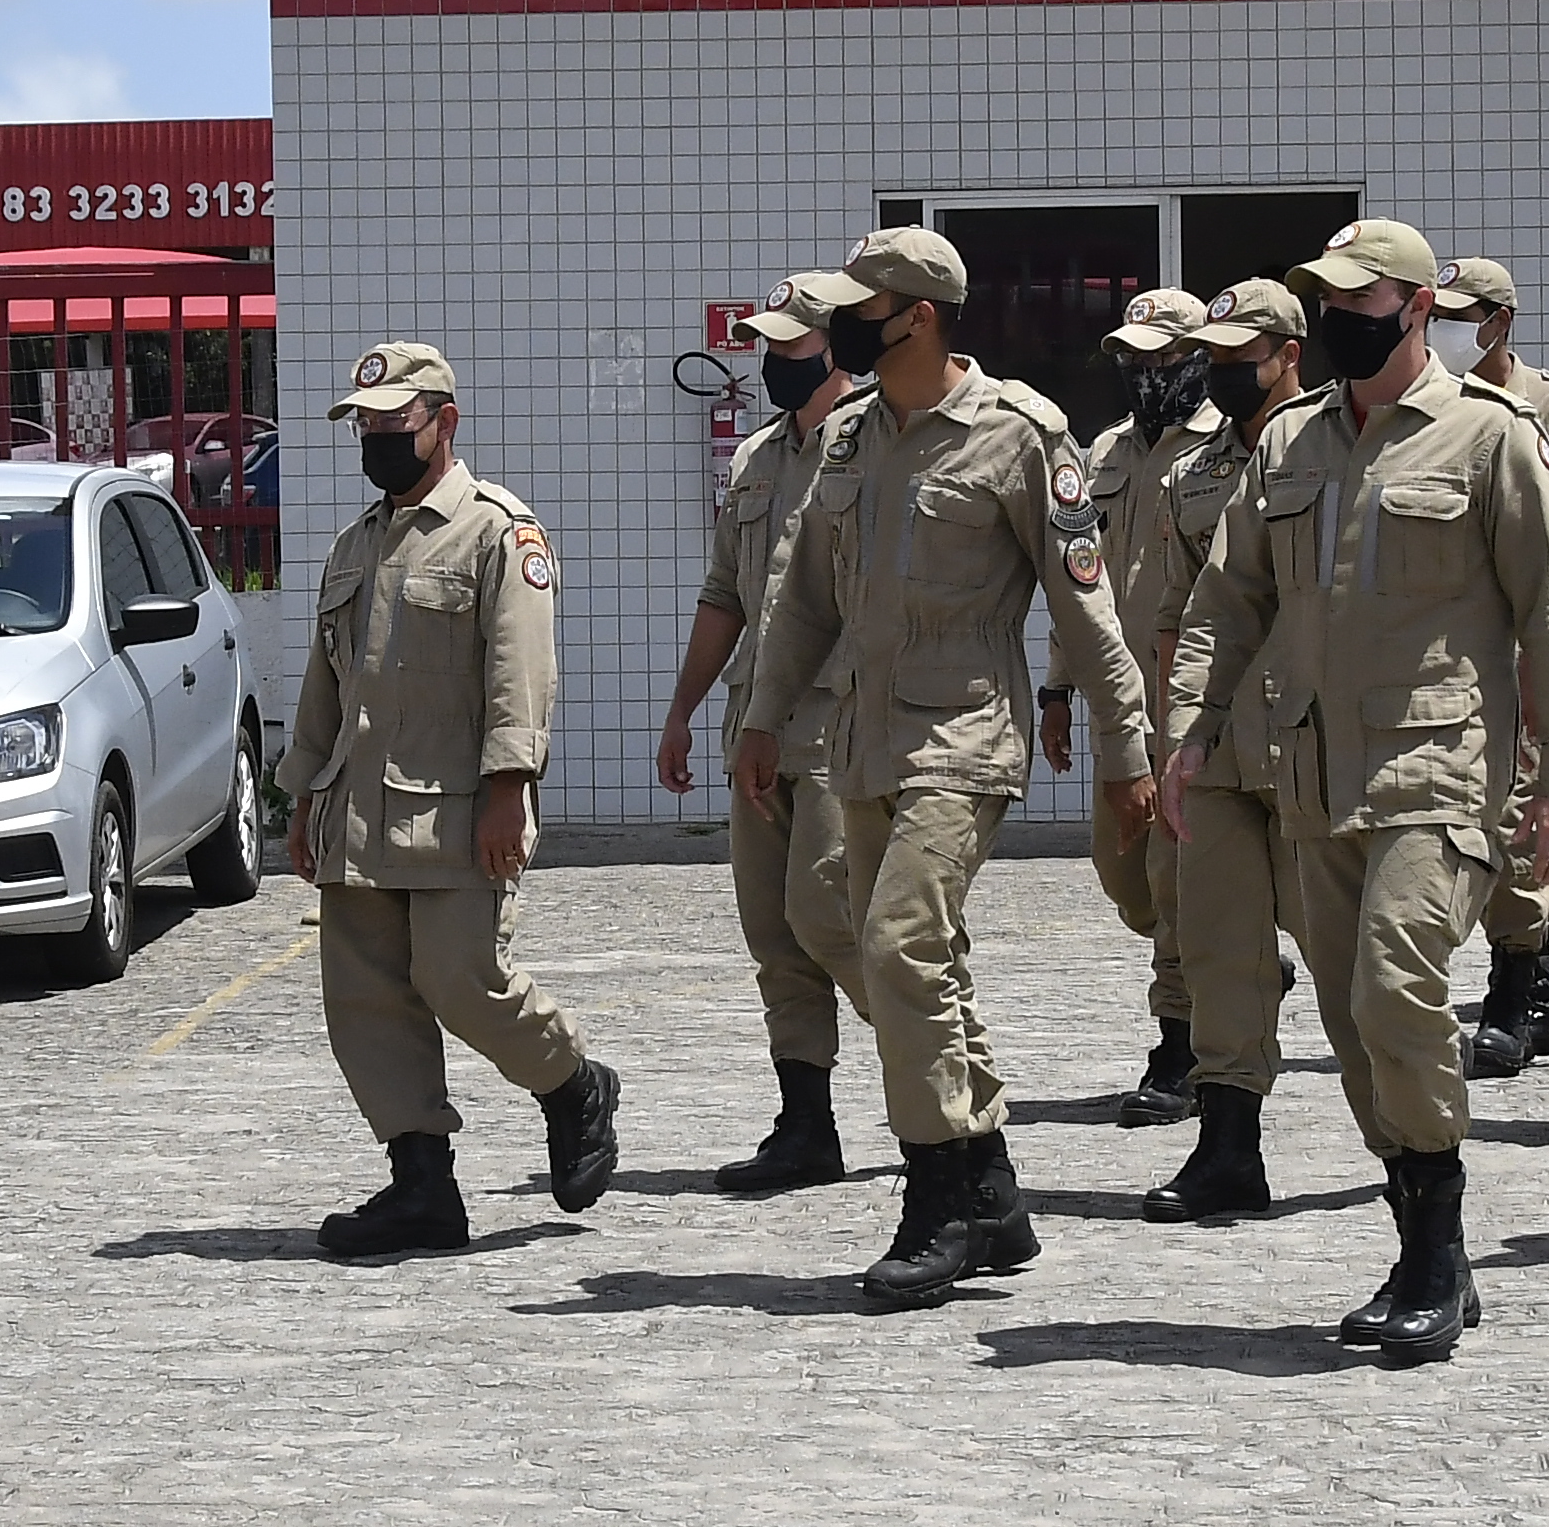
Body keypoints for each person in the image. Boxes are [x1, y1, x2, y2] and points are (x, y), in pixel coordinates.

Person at [1158, 219, 1549, 1356]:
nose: (1339, 319)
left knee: (1399, 979)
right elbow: (1227, 603)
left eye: (1360, 302)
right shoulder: (1292, 443)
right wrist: (1193, 730)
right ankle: (1420, 1229)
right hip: (1313, 775)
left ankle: (1437, 1249)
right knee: (1359, 1021)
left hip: (1439, 771)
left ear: (1415, 309)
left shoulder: (1488, 437)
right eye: (1329, 301)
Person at [736, 226, 1158, 1311]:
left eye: (858, 309)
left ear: (917, 315)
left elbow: (1087, 606)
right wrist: (764, 718)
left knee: (899, 946)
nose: (838, 328)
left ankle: (935, 1203)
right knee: (918, 965)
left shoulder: (1021, 437)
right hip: (864, 743)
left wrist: (1126, 752)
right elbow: (803, 603)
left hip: (963, 742)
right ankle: (993, 1188)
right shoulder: (852, 438)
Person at [283, 342, 618, 1257]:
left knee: (464, 981)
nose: (380, 438)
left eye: (398, 421)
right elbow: (327, 686)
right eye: (367, 424)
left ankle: (573, 1083)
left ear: (445, 421)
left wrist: (511, 786)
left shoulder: (498, 532)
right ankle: (421, 1184)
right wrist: (299, 795)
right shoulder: (356, 544)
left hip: (456, 809)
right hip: (357, 810)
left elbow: (522, 674)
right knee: (367, 1000)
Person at [660, 285, 860, 1195]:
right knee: (775, 931)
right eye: (764, 344)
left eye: (790, 342)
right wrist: (683, 711)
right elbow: (723, 596)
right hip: (756, 724)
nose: (773, 358)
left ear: (835, 345)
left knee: (836, 918)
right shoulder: (756, 458)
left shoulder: (874, 446)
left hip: (842, 720)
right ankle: (806, 1126)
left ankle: (947, 1104)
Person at [1136, 280, 1306, 1225]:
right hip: (1222, 747)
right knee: (1219, 949)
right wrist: (1175, 735)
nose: (1227, 370)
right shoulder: (1191, 474)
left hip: (1325, 741)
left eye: (1246, 355)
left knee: (1359, 958)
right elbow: (1173, 615)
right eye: (1219, 356)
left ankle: (1416, 1138)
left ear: (1289, 353)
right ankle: (1228, 1146)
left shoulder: (1335, 448)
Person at [1430, 252, 1549, 1078]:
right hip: (1463, 649)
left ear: (1499, 323)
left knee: (1521, 821)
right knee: (1479, 818)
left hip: (1530, 643)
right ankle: (1542, 987)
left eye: (1463, 316)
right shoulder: (1433, 404)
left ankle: (1512, 990)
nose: (1445, 331)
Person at [1082, 285, 1221, 1121]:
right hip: (1118, 700)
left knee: (1173, 881)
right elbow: (1081, 583)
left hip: (1193, 702)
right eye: (1132, 361)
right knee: (1124, 876)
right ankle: (1230, 967)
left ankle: (1180, 1048)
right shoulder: (1103, 455)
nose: (1145, 374)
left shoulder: (1225, 452)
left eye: (1161, 359)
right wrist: (1063, 685)